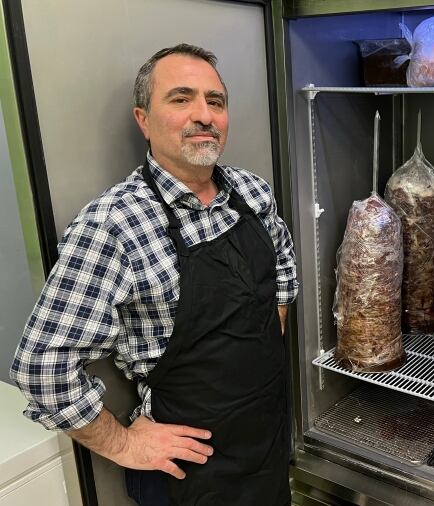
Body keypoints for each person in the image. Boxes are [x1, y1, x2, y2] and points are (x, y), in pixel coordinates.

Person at [10, 43, 298, 506]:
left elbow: (282, 264)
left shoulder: (251, 191)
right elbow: (42, 367)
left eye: (215, 101)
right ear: (143, 119)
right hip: (188, 475)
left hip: (264, 443)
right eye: (181, 99)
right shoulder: (113, 225)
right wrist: (123, 444)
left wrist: (267, 330)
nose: (204, 115)